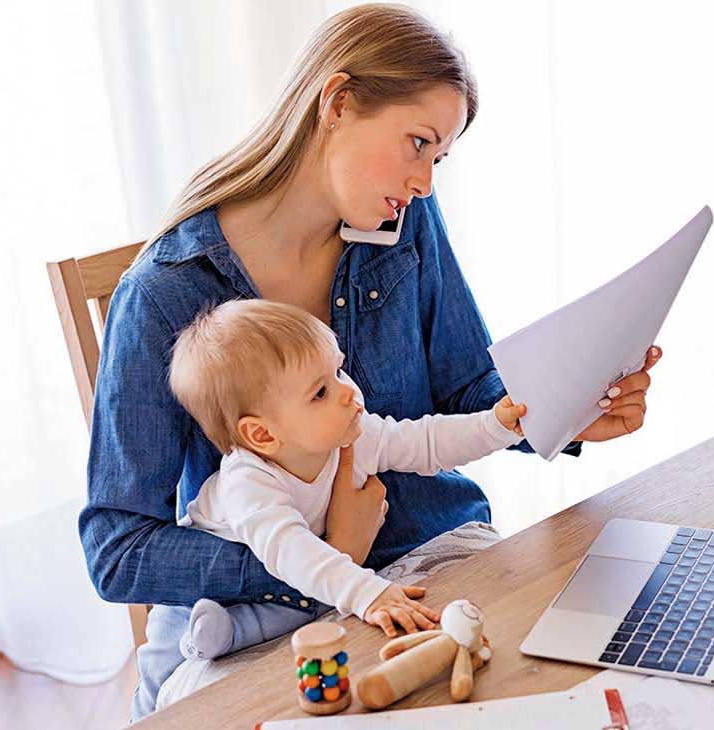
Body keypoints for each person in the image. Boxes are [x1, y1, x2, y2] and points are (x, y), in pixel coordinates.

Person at [78, 4, 659, 719]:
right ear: (338, 102)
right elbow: (117, 549)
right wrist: (323, 554)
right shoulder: (166, 293)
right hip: (269, 610)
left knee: (583, 680)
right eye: (417, 143)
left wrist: (569, 410)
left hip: (437, 553)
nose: (424, 184)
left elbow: (464, 384)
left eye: (438, 157)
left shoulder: (404, 222)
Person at [150, 298, 525, 700]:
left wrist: (495, 426)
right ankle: (200, 651)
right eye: (321, 391)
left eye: (339, 370)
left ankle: (230, 632)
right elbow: (291, 551)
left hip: (288, 589)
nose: (348, 393)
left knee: (293, 610)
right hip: (196, 602)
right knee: (164, 677)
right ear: (262, 435)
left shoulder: (349, 433)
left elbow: (425, 441)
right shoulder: (249, 481)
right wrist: (369, 594)